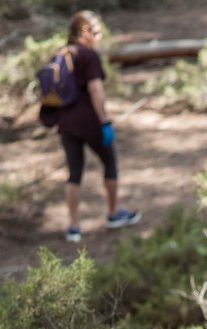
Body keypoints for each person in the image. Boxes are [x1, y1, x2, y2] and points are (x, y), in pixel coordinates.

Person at [55, 10, 141, 243]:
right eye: (98, 32)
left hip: (66, 123)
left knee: (74, 173)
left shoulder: (62, 54)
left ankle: (73, 226)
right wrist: (104, 120)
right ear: (85, 31)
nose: (100, 36)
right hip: (89, 121)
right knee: (109, 162)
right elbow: (95, 90)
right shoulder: (89, 55)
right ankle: (114, 213)